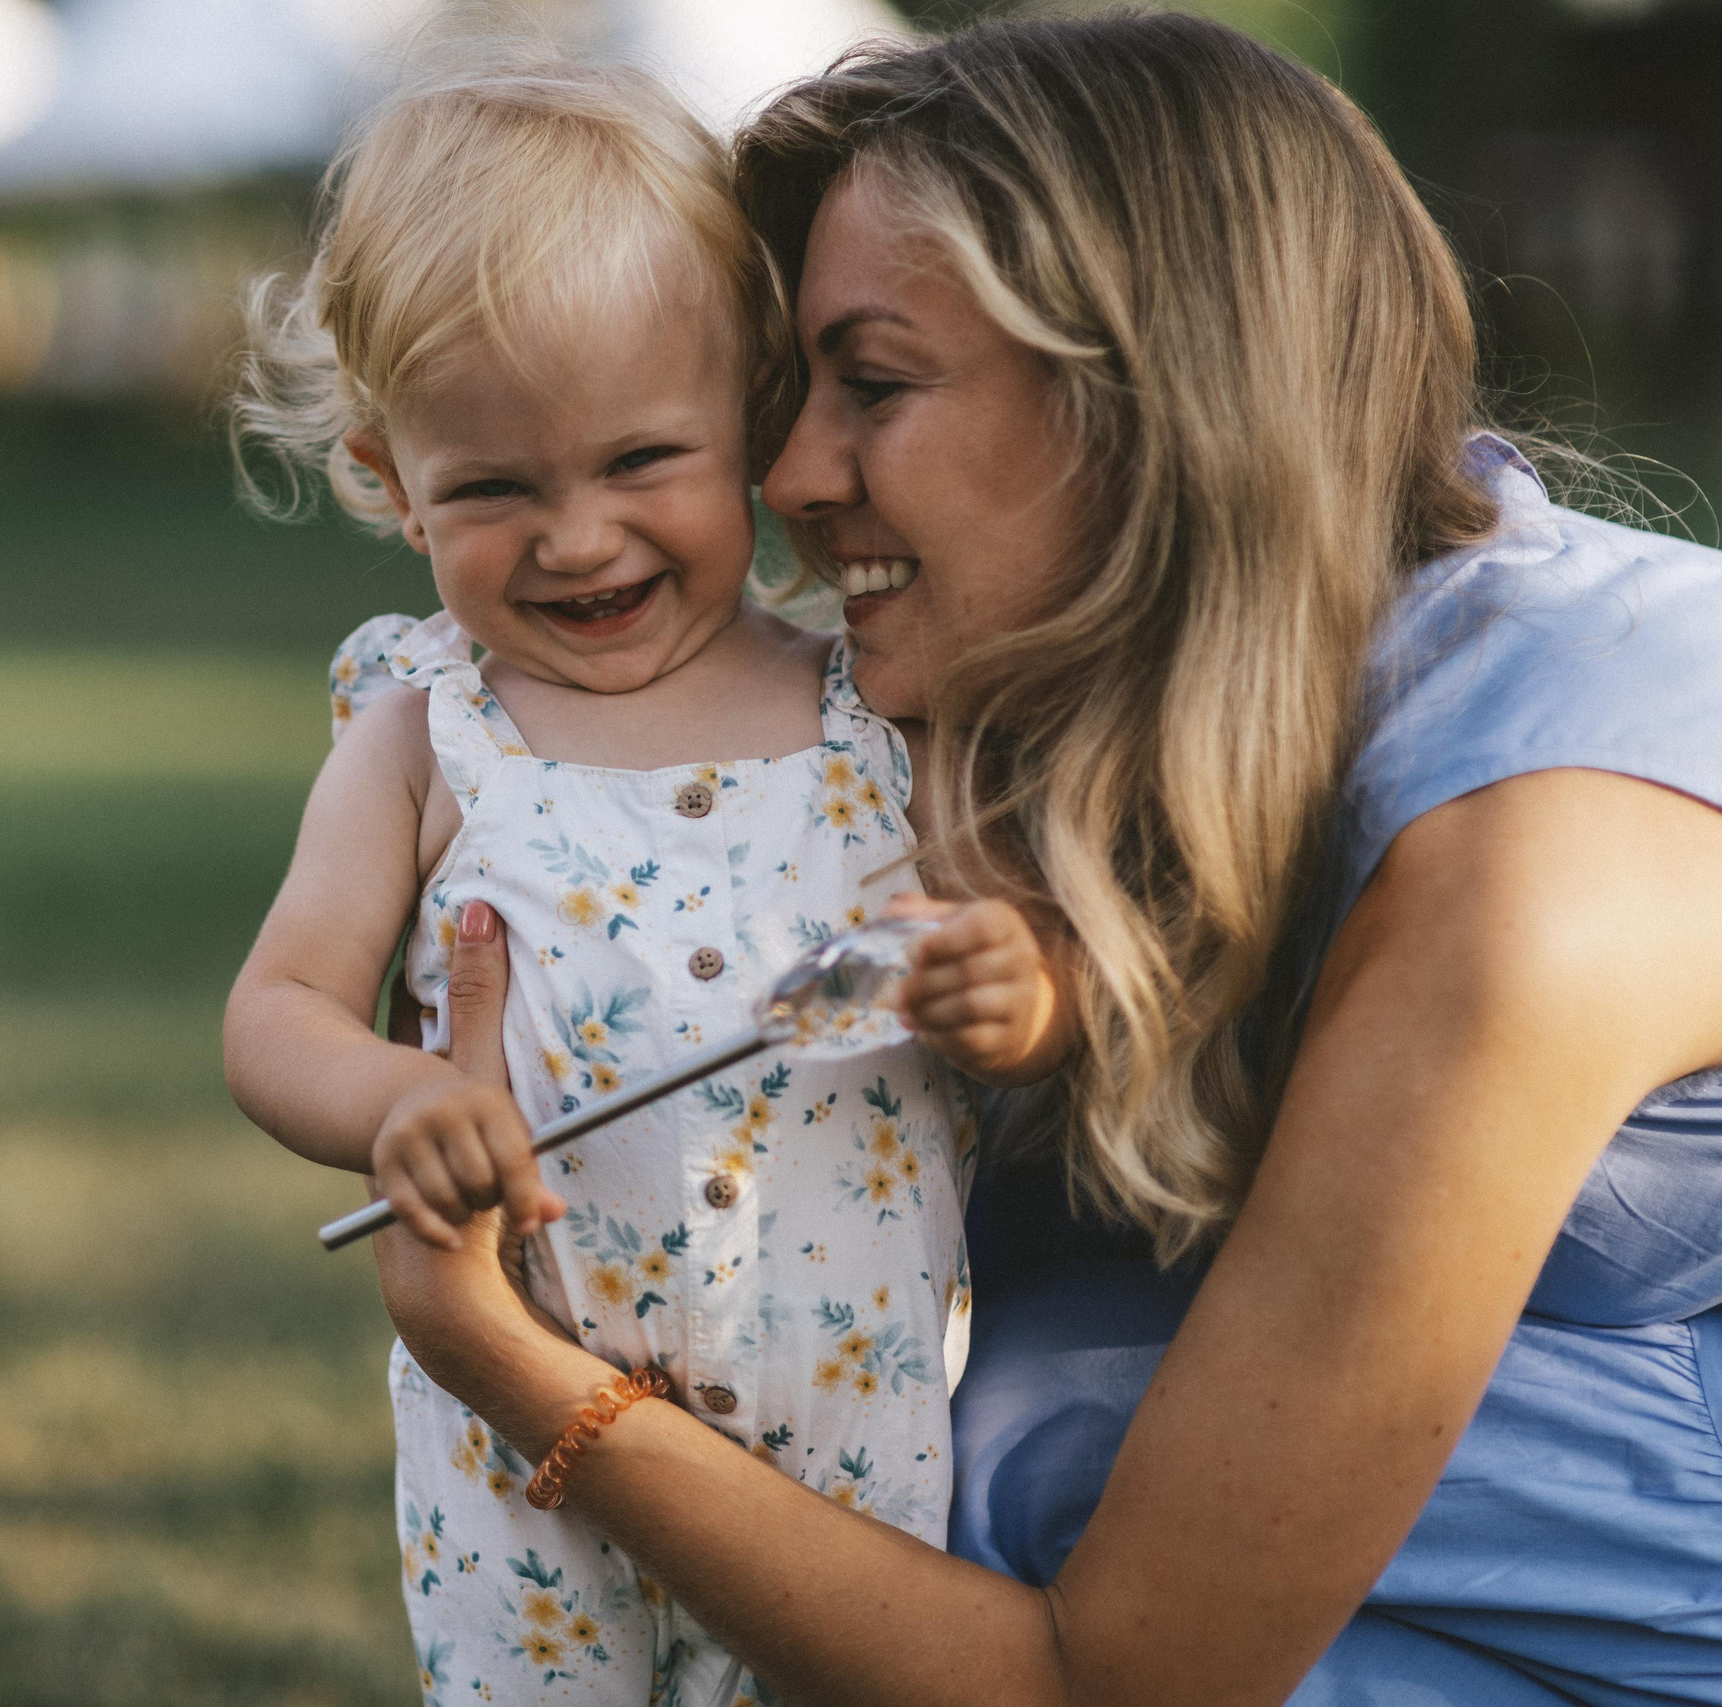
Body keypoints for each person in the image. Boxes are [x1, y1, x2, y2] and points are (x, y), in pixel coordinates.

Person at [374, 14, 1722, 1706]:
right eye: (791, 394)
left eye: (872, 382)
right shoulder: (1037, 723)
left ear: (1156, 394)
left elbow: (1117, 1688)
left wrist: (514, 1366)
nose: (788, 474)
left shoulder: (1539, 866)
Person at [222, 50, 1074, 1707]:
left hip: (855, 1447)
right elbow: (273, 1012)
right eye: (492, 488)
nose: (578, 540)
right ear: (392, 476)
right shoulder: (425, 733)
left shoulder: (875, 710)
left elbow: (1022, 966)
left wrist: (1017, 991)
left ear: (754, 418)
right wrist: (394, 1098)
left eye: (638, 464)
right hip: (524, 1463)